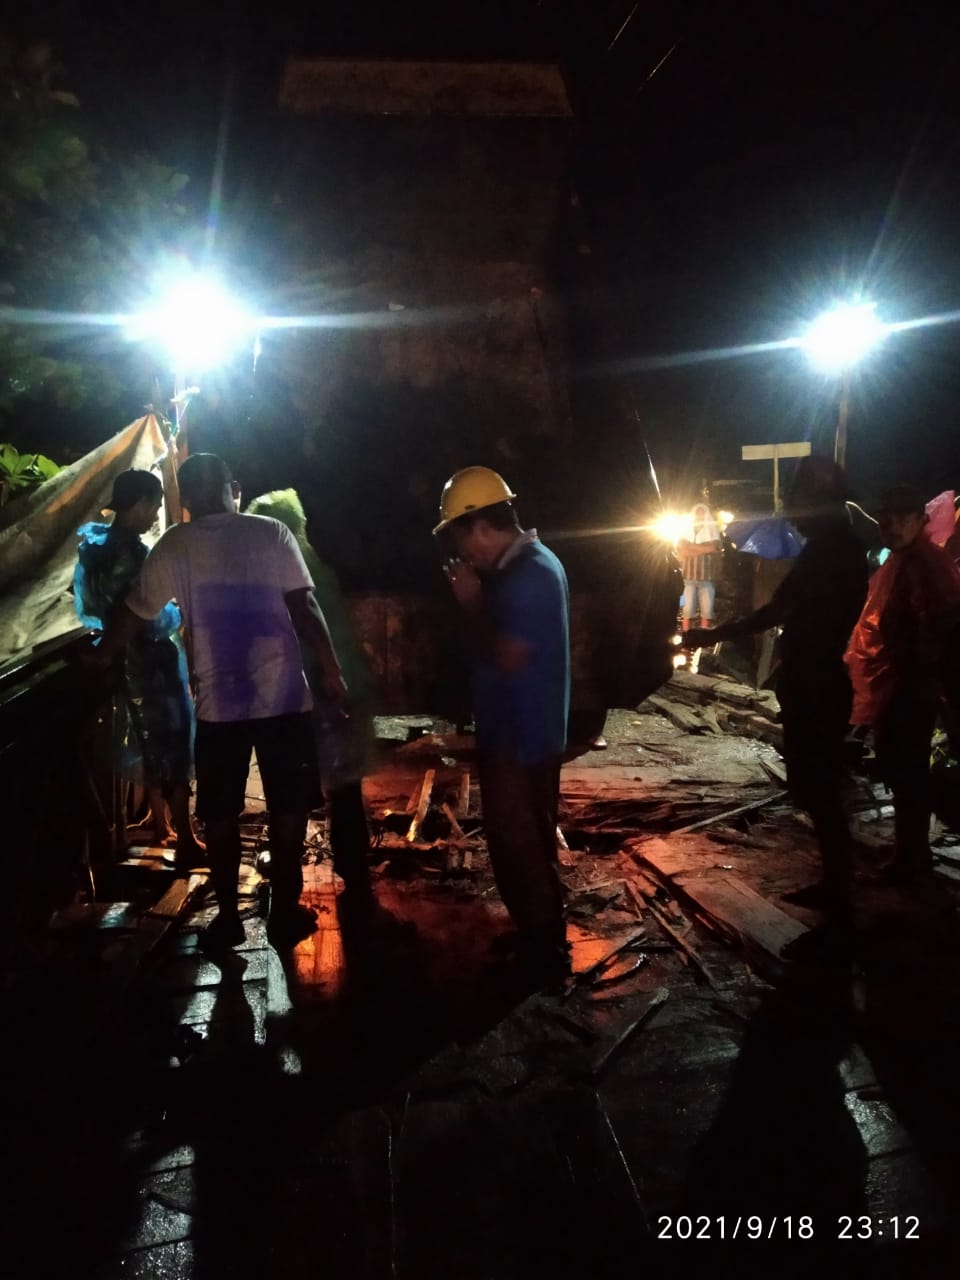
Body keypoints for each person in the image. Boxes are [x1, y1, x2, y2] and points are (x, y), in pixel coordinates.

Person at [87, 453, 348, 950]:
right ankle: (283, 912)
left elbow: (132, 613)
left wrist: (100, 657)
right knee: (289, 810)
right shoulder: (271, 533)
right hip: (285, 700)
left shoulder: (174, 545)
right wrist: (332, 672)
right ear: (233, 486)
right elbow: (305, 606)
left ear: (185, 497)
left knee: (222, 815)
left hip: (219, 709)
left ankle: (229, 918)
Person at [685, 457, 868, 914]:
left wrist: (712, 635)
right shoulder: (838, 545)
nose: (791, 514)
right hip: (818, 678)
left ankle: (840, 894)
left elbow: (778, 610)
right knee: (817, 787)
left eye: (798, 503)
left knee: (819, 788)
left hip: (818, 683)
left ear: (818, 502)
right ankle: (836, 884)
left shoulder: (830, 550)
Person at [434, 465, 570, 983]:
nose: (465, 554)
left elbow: (508, 656)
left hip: (520, 735)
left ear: (480, 526)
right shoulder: (528, 567)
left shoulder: (529, 576)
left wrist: (471, 604)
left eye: (462, 540)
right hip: (523, 731)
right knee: (525, 843)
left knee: (519, 847)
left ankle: (546, 957)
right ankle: (539, 935)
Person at [245, 488, 376, 906]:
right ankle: (354, 876)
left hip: (310, 693)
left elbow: (306, 628)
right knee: (343, 788)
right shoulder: (315, 564)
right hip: (333, 691)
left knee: (294, 793)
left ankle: (289, 891)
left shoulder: (275, 572)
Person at [74, 469, 204, 867]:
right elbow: (151, 613)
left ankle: (161, 826)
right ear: (141, 504)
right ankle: (184, 837)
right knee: (176, 741)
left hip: (121, 659)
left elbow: (88, 608)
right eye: (155, 506)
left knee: (147, 743)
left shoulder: (94, 549)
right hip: (155, 660)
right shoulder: (135, 553)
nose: (156, 514)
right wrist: (175, 614)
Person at [845, 485, 960, 882]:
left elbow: (944, 625)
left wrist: (925, 675)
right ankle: (909, 854)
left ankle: (914, 859)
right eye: (883, 517)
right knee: (899, 769)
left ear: (919, 520)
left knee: (908, 770)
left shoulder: (927, 563)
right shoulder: (901, 561)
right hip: (895, 684)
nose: (888, 525)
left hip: (913, 686)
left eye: (899, 516)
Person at [678, 502, 721, 632]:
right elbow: (682, 551)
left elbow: (714, 547)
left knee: (707, 608)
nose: (700, 516)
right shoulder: (685, 530)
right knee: (685, 607)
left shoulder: (713, 531)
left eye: (702, 514)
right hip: (686, 577)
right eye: (697, 513)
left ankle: (704, 633)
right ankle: (686, 633)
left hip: (706, 576)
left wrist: (691, 546)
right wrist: (703, 548)